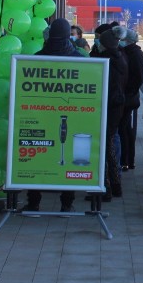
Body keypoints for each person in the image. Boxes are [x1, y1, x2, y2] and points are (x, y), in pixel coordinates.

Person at [25, 18, 84, 213]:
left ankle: (34, 202)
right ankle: (67, 204)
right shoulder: (80, 59)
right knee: (66, 154)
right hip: (70, 116)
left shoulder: (37, 57)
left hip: (41, 115)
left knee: (38, 158)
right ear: (69, 35)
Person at [91, 27, 128, 199]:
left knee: (104, 146)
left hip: (106, 106)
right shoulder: (119, 58)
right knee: (110, 145)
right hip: (116, 107)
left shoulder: (105, 61)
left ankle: (105, 187)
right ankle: (116, 183)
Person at [117, 27, 143, 171]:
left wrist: (127, 91)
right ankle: (127, 160)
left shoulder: (133, 54)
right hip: (128, 97)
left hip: (128, 98)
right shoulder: (130, 51)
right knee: (126, 128)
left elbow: (138, 78)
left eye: (121, 40)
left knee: (124, 129)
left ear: (127, 40)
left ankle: (127, 160)